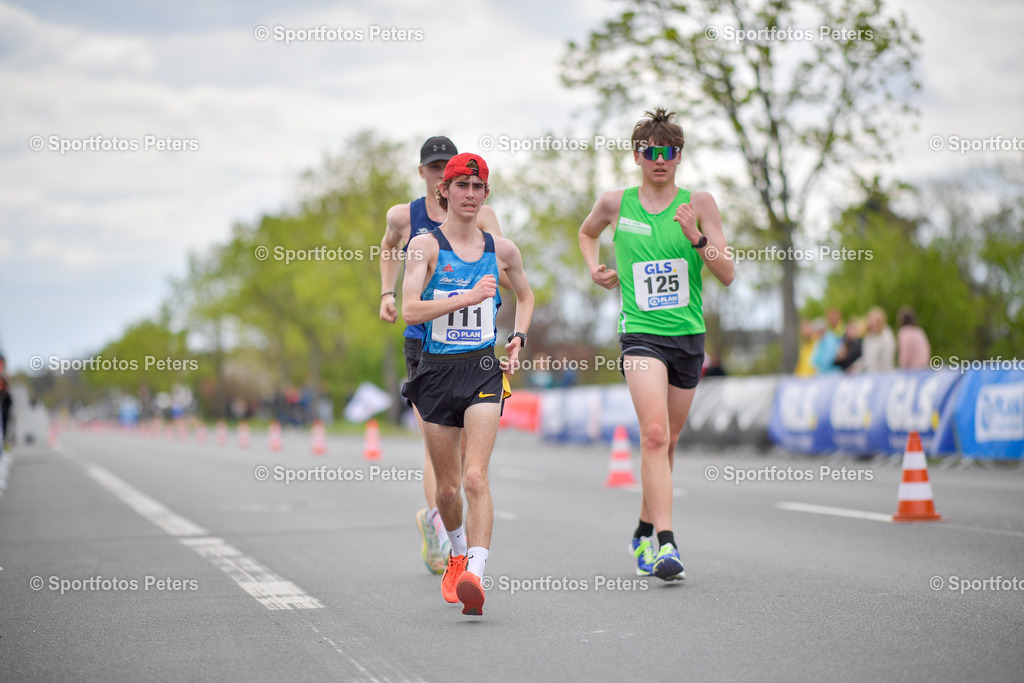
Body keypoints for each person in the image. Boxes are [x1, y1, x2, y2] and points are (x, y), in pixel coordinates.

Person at [578, 108, 734, 581]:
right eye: (650, 152)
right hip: (641, 333)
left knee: (667, 444)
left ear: (679, 157)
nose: (659, 160)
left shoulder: (699, 203)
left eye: (667, 152)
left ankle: (643, 529)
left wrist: (697, 237)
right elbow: (587, 233)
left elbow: (726, 273)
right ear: (637, 156)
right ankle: (667, 544)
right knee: (653, 434)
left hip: (687, 336)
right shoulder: (614, 204)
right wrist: (594, 267)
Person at [401, 153, 534, 615]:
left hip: (482, 369)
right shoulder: (426, 246)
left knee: (476, 477)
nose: (471, 195)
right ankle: (456, 554)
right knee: (447, 490)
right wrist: (463, 296)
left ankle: (475, 573)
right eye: (462, 186)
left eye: (479, 188)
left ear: (486, 195)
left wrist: (517, 336)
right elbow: (410, 310)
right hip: (436, 372)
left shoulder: (503, 249)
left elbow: (526, 294)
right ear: (445, 191)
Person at [379, 137, 504, 575]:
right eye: (435, 168)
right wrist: (386, 294)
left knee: (471, 459)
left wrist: (498, 324)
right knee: (440, 452)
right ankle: (439, 523)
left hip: (474, 352)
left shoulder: (483, 216)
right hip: (424, 343)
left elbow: (498, 270)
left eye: (445, 167)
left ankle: (464, 550)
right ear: (429, 178)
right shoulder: (404, 216)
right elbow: (388, 247)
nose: (441, 174)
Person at [857, 306, 895, 373]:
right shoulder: (868, 337)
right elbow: (866, 358)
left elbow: (887, 360)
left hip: (884, 375)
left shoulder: (887, 336)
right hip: (871, 375)